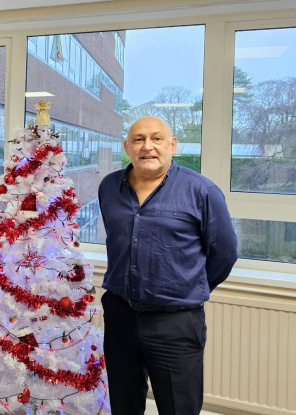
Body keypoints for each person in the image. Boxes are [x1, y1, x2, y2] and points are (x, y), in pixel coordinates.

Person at [98, 116, 238, 415]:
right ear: (127, 147)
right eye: (138, 139)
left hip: (175, 322)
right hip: (120, 315)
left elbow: (224, 255)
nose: (147, 146)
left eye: (157, 138)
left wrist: (185, 287)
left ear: (172, 145)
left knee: (178, 408)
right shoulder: (109, 187)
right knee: (123, 405)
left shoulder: (201, 191)